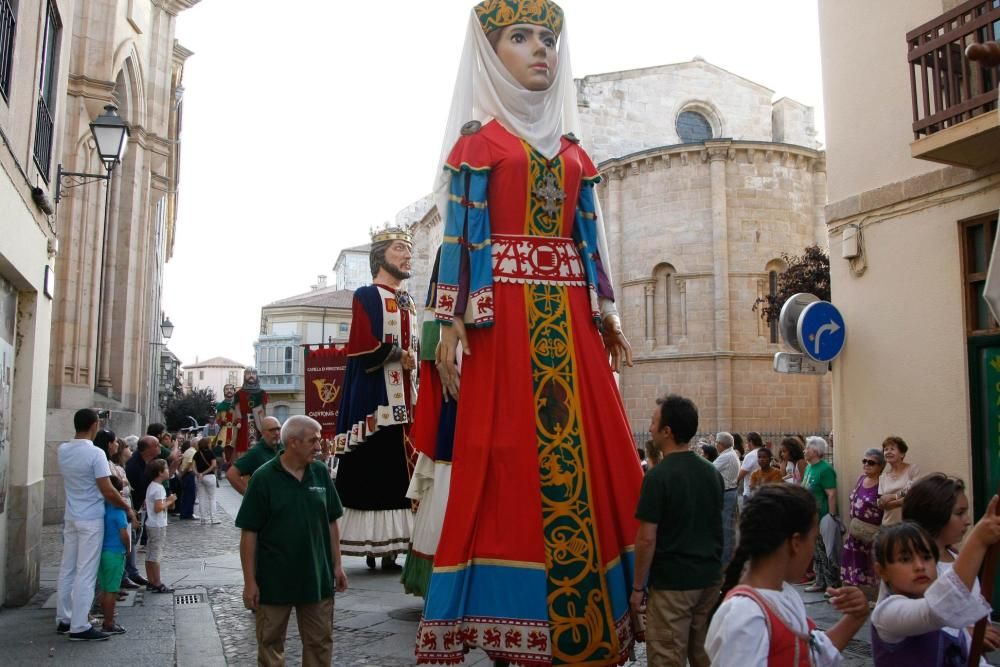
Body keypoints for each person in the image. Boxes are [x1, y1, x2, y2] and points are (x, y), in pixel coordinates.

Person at [415, 3, 643, 664]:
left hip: (570, 317)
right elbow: (457, 239)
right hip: (504, 319)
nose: (540, 49)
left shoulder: (575, 153)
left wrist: (608, 314)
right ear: (491, 53)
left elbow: (589, 238)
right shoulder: (477, 145)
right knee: (507, 456)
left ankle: (591, 611)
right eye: (521, 37)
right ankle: (511, 616)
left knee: (594, 455)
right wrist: (447, 324)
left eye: (548, 38)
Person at [706, 485, 870, 665]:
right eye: (814, 539)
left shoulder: (784, 594)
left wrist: (855, 618)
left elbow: (807, 655)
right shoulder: (744, 616)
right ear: (796, 543)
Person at [235, 415, 348, 667]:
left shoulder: (319, 472)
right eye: (314, 441)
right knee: (270, 644)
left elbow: (332, 521)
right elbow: (249, 533)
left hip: (316, 578)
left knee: (320, 643)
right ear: (293, 443)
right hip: (274, 581)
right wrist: (250, 582)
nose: (319, 447)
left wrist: (337, 566)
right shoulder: (263, 478)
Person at [333, 228, 416, 571]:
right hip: (375, 398)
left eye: (409, 249)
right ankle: (368, 544)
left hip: (404, 397)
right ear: (381, 255)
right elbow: (361, 343)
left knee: (398, 473)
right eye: (400, 248)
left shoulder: (408, 300)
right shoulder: (366, 295)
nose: (407, 255)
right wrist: (397, 354)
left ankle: (391, 548)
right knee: (373, 466)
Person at [631, 395, 723, 667]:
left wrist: (638, 588)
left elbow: (647, 538)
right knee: (704, 656)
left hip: (673, 585)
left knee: (666, 658)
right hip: (709, 579)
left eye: (653, 422)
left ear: (667, 431)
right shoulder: (711, 472)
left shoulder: (657, 477)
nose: (649, 428)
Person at [870, 508, 1000, 666]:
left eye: (926, 557)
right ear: (882, 571)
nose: (919, 566)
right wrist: (978, 540)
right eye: (905, 559)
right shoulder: (887, 614)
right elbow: (939, 609)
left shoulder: (953, 621)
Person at [55, 409, 136, 642]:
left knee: (67, 568)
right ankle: (80, 625)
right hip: (90, 517)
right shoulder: (96, 453)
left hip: (71, 514)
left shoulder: (63, 449)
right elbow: (107, 488)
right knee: (86, 572)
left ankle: (65, 618)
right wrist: (126, 507)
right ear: (94, 425)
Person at [901, 473, 1000, 653]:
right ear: (934, 514)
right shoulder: (912, 570)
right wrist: (966, 634)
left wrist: (982, 629)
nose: (968, 521)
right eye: (960, 513)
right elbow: (929, 616)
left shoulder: (957, 559)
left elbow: (974, 605)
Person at [840, 448, 885, 600]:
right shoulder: (861, 479)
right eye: (864, 461)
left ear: (881, 466)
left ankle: (871, 597)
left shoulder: (882, 483)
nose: (866, 464)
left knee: (870, 565)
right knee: (853, 563)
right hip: (855, 532)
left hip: (870, 534)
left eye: (871, 462)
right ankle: (853, 595)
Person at [802, 436, 841, 593]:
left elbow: (831, 494)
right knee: (817, 550)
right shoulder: (809, 467)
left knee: (826, 550)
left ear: (816, 451)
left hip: (823, 516)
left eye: (808, 448)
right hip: (811, 517)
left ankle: (832, 584)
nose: (805, 451)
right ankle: (819, 581)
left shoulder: (825, 469)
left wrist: (831, 516)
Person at [98, 475, 130, 635]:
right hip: (115, 552)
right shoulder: (118, 510)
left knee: (104, 588)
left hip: (101, 551)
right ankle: (109, 622)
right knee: (112, 590)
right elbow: (124, 533)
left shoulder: (100, 506)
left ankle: (106, 617)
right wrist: (128, 548)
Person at [226, 416, 282, 496]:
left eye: (278, 429)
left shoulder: (284, 447)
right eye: (272, 430)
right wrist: (249, 496)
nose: (276, 433)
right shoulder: (256, 452)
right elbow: (231, 474)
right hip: (267, 505)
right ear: (262, 432)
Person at [144, 459, 176, 594]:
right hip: (158, 524)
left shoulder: (152, 486)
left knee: (150, 553)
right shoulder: (159, 488)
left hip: (151, 523)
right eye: (166, 469)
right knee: (156, 554)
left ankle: (151, 581)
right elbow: (158, 508)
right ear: (160, 473)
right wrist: (170, 501)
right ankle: (157, 582)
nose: (169, 471)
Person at [877, 436, 920, 526]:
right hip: (888, 526)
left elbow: (914, 496)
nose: (888, 452)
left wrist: (893, 497)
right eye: (886, 449)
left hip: (908, 525)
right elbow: (880, 503)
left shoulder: (912, 469)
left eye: (892, 449)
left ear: (902, 454)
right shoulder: (883, 477)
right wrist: (900, 499)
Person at [713, 432, 741, 567]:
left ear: (721, 444)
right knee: (726, 528)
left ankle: (725, 562)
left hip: (727, 493)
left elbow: (710, 469)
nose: (715, 444)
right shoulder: (729, 454)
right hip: (728, 493)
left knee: (726, 529)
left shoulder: (727, 456)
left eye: (716, 442)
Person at [233, 368, 269, 460]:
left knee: (259, 448)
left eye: (253, 373)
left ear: (256, 376)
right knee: (242, 449)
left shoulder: (262, 393)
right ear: (245, 376)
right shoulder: (239, 393)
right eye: (248, 373)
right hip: (244, 424)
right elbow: (237, 408)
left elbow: (263, 410)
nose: (251, 375)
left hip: (258, 424)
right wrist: (238, 420)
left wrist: (265, 424)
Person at [193, 437, 220, 524]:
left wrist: (198, 474)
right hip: (210, 477)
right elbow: (213, 465)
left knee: (201, 498)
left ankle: (203, 519)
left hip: (199, 478)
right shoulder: (211, 453)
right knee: (212, 498)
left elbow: (193, 467)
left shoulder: (196, 454)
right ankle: (214, 518)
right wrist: (204, 473)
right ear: (207, 444)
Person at [214, 383, 239, 466]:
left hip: (235, 429)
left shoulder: (238, 405)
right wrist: (221, 421)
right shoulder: (220, 406)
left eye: (231, 389)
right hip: (224, 430)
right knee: (220, 448)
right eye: (226, 389)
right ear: (224, 391)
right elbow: (217, 420)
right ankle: (222, 468)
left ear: (234, 391)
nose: (229, 391)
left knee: (236, 448)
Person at [736, 431, 765, 502]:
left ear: (751, 442)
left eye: (747, 442)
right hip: (763, 492)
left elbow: (740, 475)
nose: (746, 444)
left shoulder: (750, 455)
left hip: (750, 493)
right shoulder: (765, 452)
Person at [177, 440, 199, 520]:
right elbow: (189, 464)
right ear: (195, 444)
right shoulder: (193, 452)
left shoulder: (188, 450)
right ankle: (188, 514)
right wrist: (183, 473)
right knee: (190, 495)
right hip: (188, 474)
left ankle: (184, 513)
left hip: (186, 474)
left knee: (186, 495)